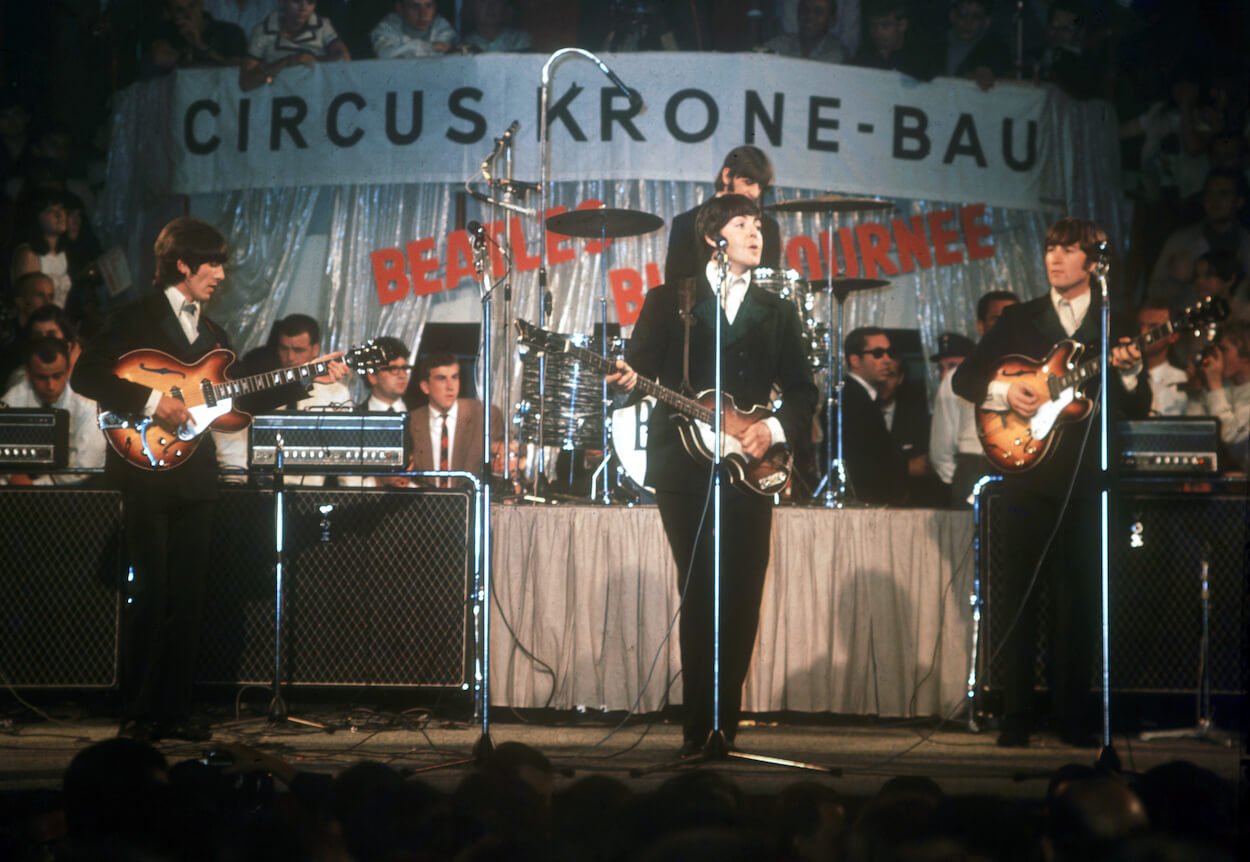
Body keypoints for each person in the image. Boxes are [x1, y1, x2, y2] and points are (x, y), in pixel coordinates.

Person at [71, 217, 346, 743]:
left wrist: (307, 376)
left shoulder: (215, 335)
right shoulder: (134, 316)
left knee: (191, 598)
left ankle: (174, 709)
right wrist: (154, 402)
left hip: (197, 475)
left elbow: (237, 400)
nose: (221, 274)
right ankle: (139, 710)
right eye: (213, 263)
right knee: (150, 596)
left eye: (221, 264)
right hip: (145, 469)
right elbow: (87, 375)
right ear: (182, 263)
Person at [608, 194, 817, 754]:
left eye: (759, 225)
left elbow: (802, 390)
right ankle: (697, 730)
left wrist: (770, 430)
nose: (756, 233)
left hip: (751, 465)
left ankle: (727, 725)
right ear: (712, 236)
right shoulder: (669, 300)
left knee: (744, 592)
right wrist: (624, 380)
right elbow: (640, 372)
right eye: (742, 224)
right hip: (684, 466)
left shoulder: (777, 310)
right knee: (701, 588)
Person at [952, 217, 1151, 748]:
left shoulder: (1113, 319)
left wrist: (1129, 371)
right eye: (1050, 249)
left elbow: (1138, 404)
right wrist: (1005, 391)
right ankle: (1016, 715)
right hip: (1026, 472)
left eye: (1067, 251)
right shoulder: (1022, 319)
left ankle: (1072, 716)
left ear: (1094, 262)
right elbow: (964, 377)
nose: (1054, 259)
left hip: (1086, 479)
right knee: (1019, 595)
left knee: (1078, 598)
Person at [928, 291, 1018, 507]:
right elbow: (941, 451)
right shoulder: (959, 378)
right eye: (997, 319)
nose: (1007, 325)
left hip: (1021, 467)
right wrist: (963, 481)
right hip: (974, 467)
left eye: (1014, 319)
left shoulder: (1035, 372)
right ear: (981, 325)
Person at [664, 145, 782, 283]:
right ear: (726, 176)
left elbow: (769, 289)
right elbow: (675, 287)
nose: (755, 192)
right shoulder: (686, 223)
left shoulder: (769, 228)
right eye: (748, 182)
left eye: (760, 186)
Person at [1, 336, 105, 486]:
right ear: (28, 374)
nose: (51, 386)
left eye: (57, 376)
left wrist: (35, 486)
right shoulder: (12, 400)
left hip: (77, 490)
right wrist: (11, 476)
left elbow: (85, 466)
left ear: (68, 370)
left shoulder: (87, 405)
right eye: (41, 377)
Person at [409, 351, 505, 485]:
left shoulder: (485, 417)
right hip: (424, 504)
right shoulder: (411, 421)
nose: (450, 386)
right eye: (441, 378)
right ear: (425, 387)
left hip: (471, 502)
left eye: (454, 377)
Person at [839, 326, 906, 504]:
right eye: (878, 353)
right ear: (855, 360)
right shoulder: (851, 398)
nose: (887, 360)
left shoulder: (863, 396)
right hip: (861, 502)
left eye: (888, 352)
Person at [239, 0, 350, 91]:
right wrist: (285, 62)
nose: (303, 8)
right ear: (282, 2)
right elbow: (246, 83)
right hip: (276, 100)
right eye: (296, 1)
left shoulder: (322, 26)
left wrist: (314, 59)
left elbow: (345, 58)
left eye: (310, 2)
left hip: (316, 98)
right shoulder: (263, 31)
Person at [1186, 320, 1250, 470]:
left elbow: (1230, 436)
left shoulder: (1219, 389)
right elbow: (1195, 433)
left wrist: (1215, 386)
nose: (1217, 357)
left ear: (1246, 356)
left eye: (1224, 350)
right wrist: (1198, 387)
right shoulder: (1223, 389)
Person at [1136, 301, 1188, 416]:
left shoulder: (1182, 380)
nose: (1143, 332)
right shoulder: (1126, 376)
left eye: (1153, 327)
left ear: (1173, 336)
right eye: (1140, 325)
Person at [758, 0, 846, 64]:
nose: (809, 16)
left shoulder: (836, 52)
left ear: (831, 21)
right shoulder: (782, 42)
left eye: (818, 12)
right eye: (805, 9)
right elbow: (756, 58)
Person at [371, 0, 457, 57]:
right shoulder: (386, 29)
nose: (423, 14)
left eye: (428, 5)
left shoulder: (443, 28)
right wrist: (430, 47)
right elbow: (385, 54)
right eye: (414, 7)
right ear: (400, 9)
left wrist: (403, 50)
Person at [462, 0, 532, 53]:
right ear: (472, 7)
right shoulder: (464, 44)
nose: (490, 7)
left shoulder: (520, 40)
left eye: (496, 1)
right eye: (483, 1)